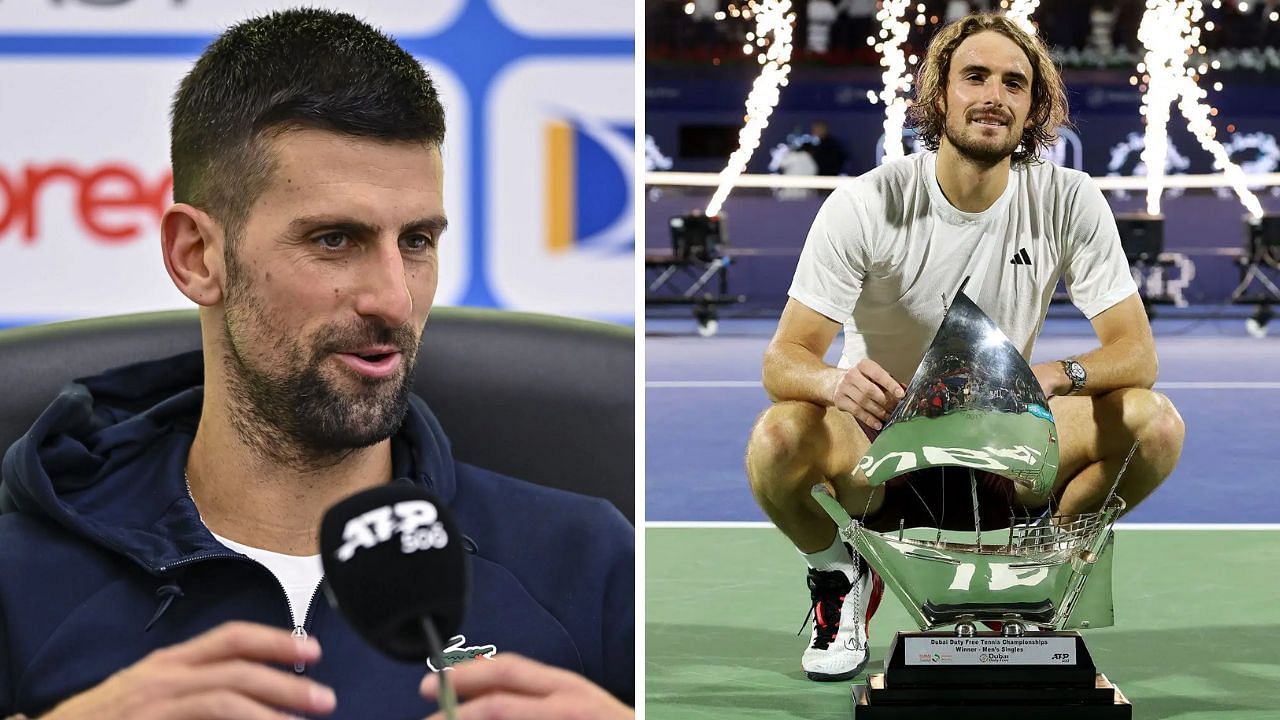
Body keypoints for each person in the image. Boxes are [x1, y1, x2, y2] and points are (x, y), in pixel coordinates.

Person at [0, 9, 633, 720]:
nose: (394, 298)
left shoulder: (589, 563)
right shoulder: (18, 583)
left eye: (417, 240)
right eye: (335, 240)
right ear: (196, 256)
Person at [744, 12, 1185, 683]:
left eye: (1014, 83)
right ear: (939, 93)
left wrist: (1055, 374)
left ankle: (1040, 573)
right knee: (777, 439)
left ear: (1035, 107)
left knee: (1154, 425)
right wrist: (836, 384)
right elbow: (783, 360)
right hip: (881, 445)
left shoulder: (1068, 199)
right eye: (974, 76)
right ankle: (839, 572)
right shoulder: (866, 204)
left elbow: (1137, 356)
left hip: (1004, 440)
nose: (993, 96)